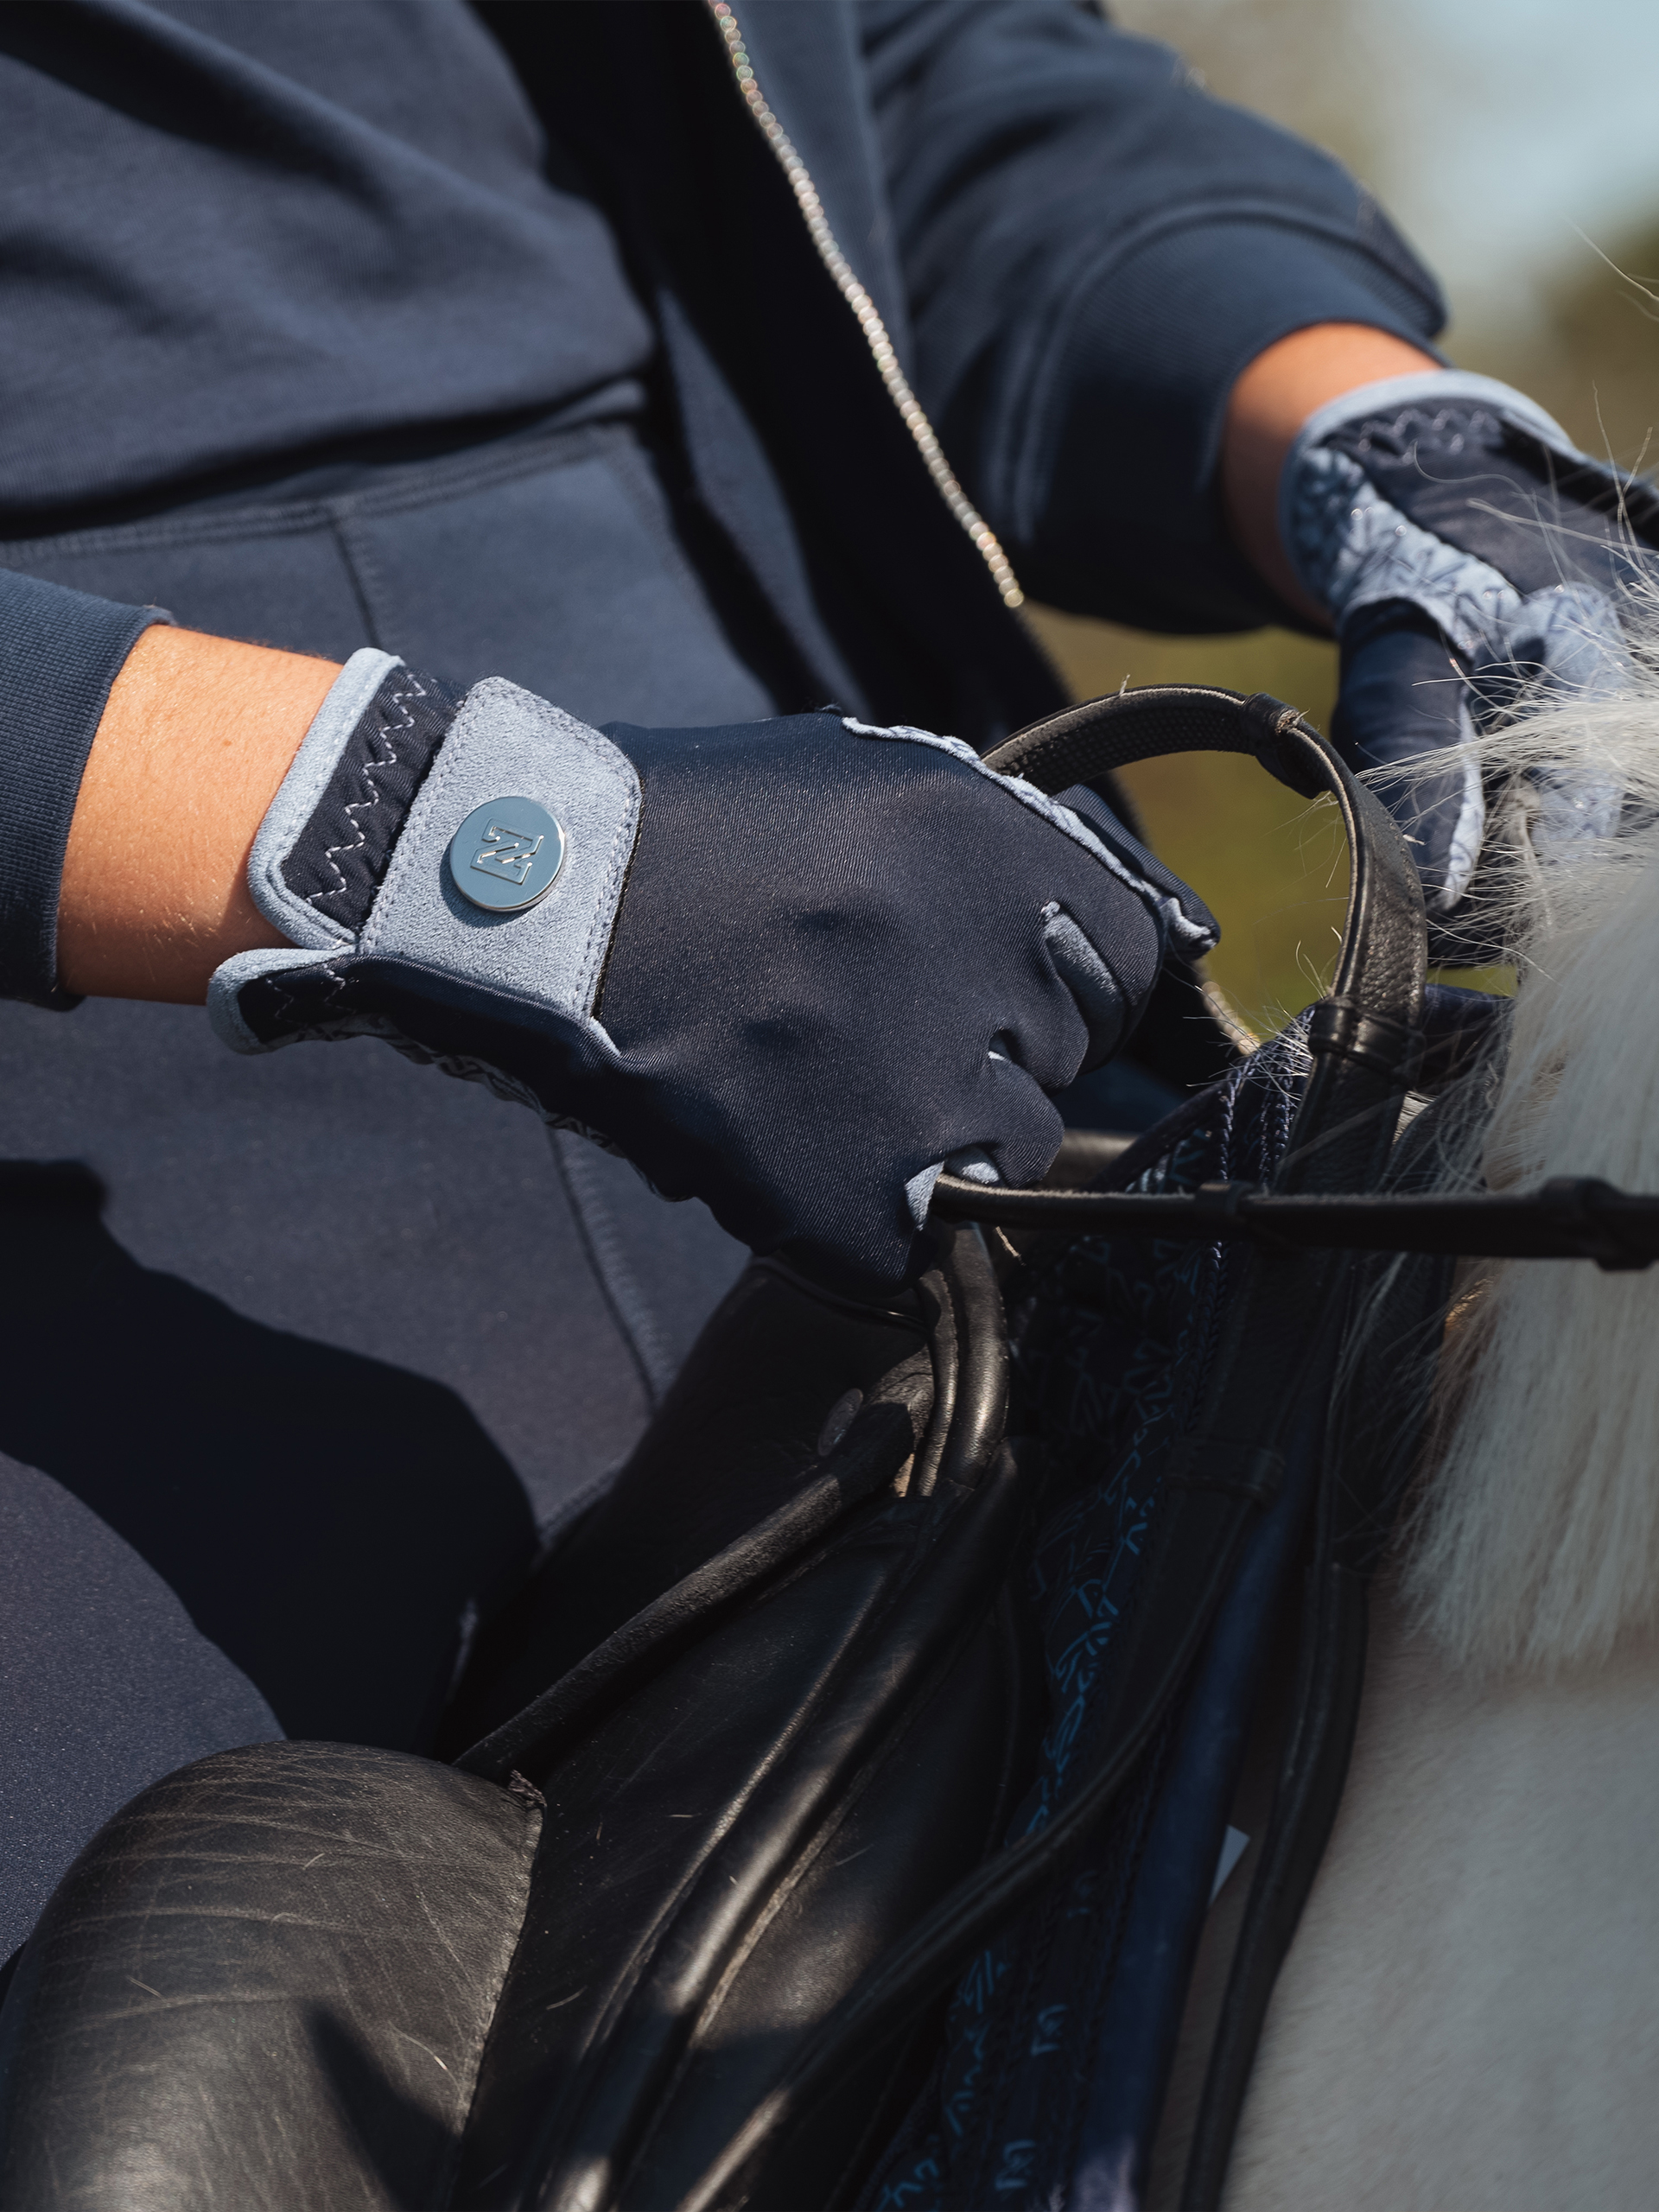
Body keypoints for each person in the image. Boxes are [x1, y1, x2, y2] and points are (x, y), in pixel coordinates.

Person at [0, 0, 1643, 1969]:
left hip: (894, 911)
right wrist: (449, 839)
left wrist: (1399, 449)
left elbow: (908, 62)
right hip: (104, 1017)